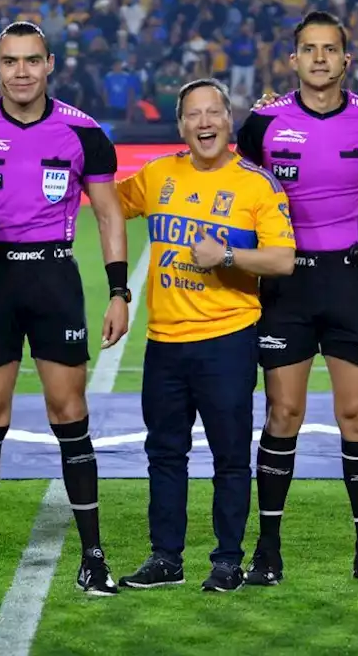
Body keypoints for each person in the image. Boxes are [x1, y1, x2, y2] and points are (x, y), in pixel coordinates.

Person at [0, 21, 130, 596]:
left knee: (70, 413)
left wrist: (119, 290)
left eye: (32, 61)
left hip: (53, 279)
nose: (22, 71)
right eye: (11, 61)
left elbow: (110, 213)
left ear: (50, 65)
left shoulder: (83, 132)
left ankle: (93, 558)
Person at [234, 10, 358, 587]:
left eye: (331, 49)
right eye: (310, 49)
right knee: (284, 413)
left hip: (351, 284)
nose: (321, 58)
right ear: (293, 59)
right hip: (287, 286)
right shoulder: (261, 124)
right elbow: (237, 195)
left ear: (346, 60)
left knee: (357, 415)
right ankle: (269, 550)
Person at [116, 78, 296, 593]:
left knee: (230, 457)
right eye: (193, 115)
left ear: (228, 120)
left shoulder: (257, 184)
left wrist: (230, 257)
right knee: (165, 454)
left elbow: (283, 260)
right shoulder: (156, 175)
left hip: (227, 340)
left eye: (213, 112)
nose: (204, 123)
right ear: (180, 126)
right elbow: (106, 199)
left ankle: (226, 561)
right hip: (165, 341)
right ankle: (165, 558)